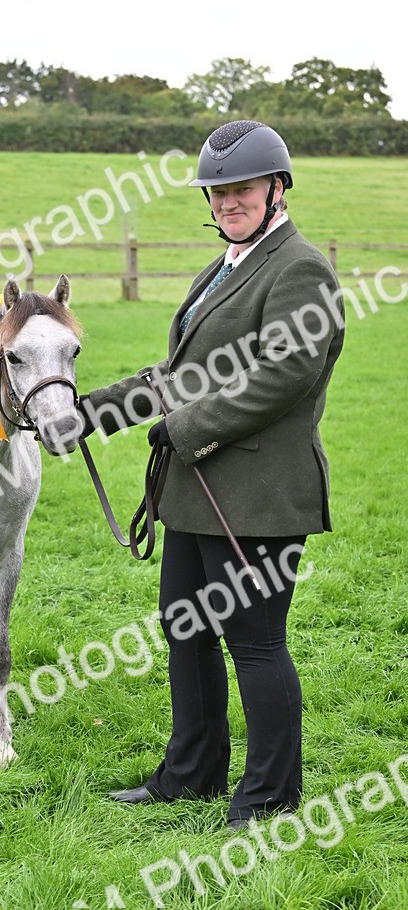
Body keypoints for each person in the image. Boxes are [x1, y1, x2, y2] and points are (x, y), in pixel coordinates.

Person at [78, 120, 344, 830]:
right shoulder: (225, 266)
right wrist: (92, 414)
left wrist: (187, 427)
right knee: (186, 631)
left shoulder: (299, 268)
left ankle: (270, 797)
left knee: (255, 643)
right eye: (218, 192)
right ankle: (191, 774)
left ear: (278, 188)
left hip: (259, 496)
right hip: (196, 495)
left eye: (242, 189)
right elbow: (182, 375)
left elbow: (284, 374)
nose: (228, 202)